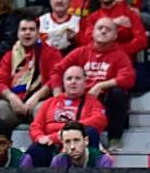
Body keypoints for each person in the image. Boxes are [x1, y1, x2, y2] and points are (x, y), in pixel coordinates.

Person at [49, 18, 135, 146]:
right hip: (78, 97)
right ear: (93, 33)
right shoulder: (81, 52)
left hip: (103, 99)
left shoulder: (120, 55)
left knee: (118, 94)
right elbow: (56, 70)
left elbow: (128, 78)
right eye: (100, 28)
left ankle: (114, 138)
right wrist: (57, 93)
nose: (103, 31)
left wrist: (101, 85)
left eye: (108, 29)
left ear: (115, 35)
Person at [27, 65, 107, 166]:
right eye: (69, 78)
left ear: (85, 82)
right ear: (63, 82)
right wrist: (40, 137)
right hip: (51, 145)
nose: (73, 82)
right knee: (35, 148)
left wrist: (65, 133)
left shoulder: (92, 102)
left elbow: (100, 120)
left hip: (76, 144)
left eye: (77, 78)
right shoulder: (50, 102)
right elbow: (36, 126)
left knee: (90, 132)